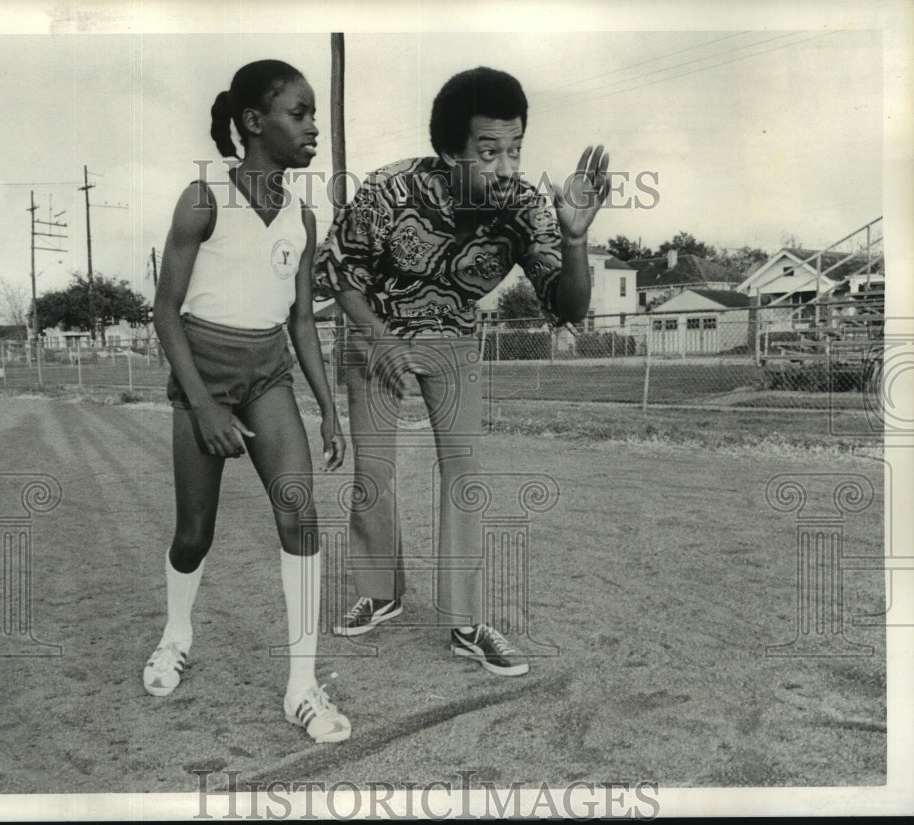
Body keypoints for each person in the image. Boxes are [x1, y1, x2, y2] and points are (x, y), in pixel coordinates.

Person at [315, 66, 610, 677]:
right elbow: (344, 278)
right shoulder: (388, 191)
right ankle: (381, 590)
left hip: (454, 338)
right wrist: (383, 342)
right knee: (374, 469)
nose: (507, 166)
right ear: (450, 150)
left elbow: (567, 305)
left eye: (516, 148)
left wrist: (577, 240)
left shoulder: (527, 206)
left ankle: (467, 622)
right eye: (489, 151)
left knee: (464, 475)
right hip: (377, 333)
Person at [143, 60, 351, 744]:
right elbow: (165, 312)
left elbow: (299, 323)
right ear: (256, 123)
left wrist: (326, 403)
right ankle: (177, 632)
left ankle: (301, 685)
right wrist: (202, 404)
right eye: (301, 112)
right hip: (202, 371)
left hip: (266, 373)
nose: (314, 126)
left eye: (316, 112)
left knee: (300, 509)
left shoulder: (302, 214)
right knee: (193, 533)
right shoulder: (203, 198)